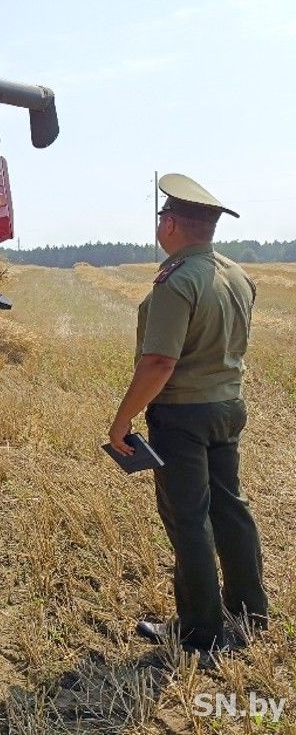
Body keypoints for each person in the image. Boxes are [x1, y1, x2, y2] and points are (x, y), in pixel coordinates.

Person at [106, 173, 266, 663]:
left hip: (182, 415)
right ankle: (250, 612)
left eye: (162, 217)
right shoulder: (236, 274)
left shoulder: (177, 281)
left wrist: (122, 420)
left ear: (171, 224)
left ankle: (201, 632)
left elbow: (159, 363)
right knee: (231, 508)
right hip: (228, 407)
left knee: (189, 518)